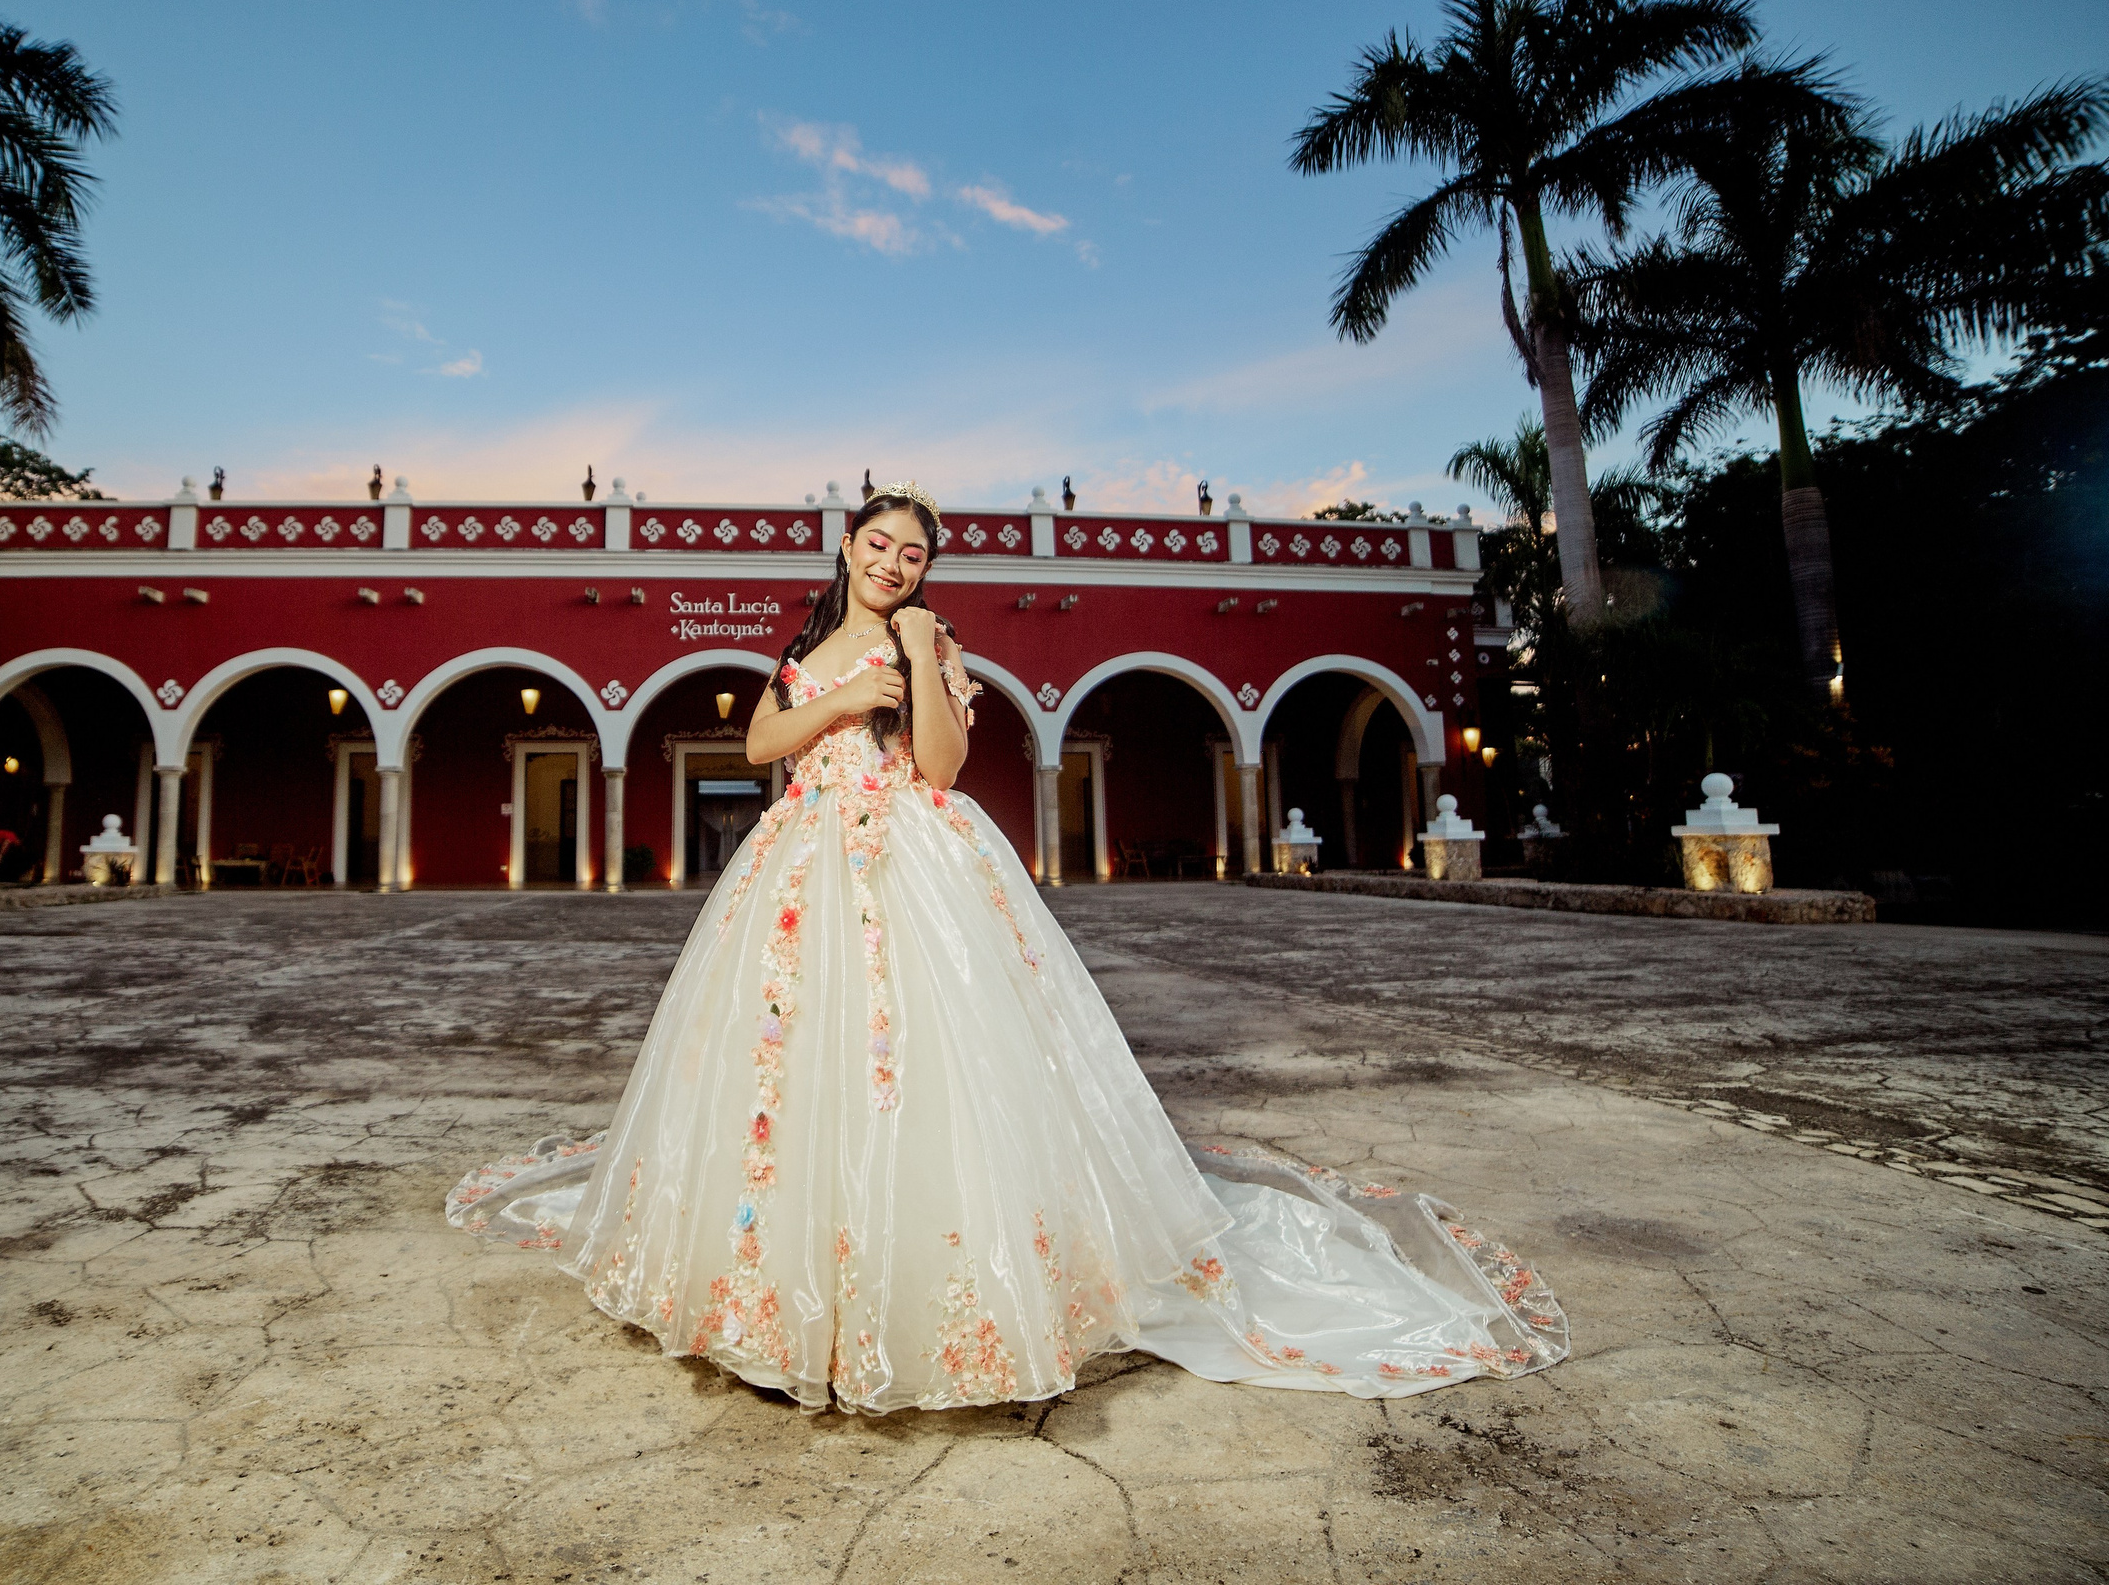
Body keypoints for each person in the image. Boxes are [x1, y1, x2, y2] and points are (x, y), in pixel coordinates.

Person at [448, 482, 1564, 1414]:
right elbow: (762, 744)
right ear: (846, 547)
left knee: (925, 1055)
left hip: (911, 856)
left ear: (927, 571)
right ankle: (769, 1276)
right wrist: (846, 701)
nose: (892, 562)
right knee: (792, 1057)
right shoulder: (813, 641)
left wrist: (919, 663)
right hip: (800, 860)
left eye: (913, 554)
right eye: (878, 544)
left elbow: (938, 768)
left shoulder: (927, 632)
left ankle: (935, 1276)